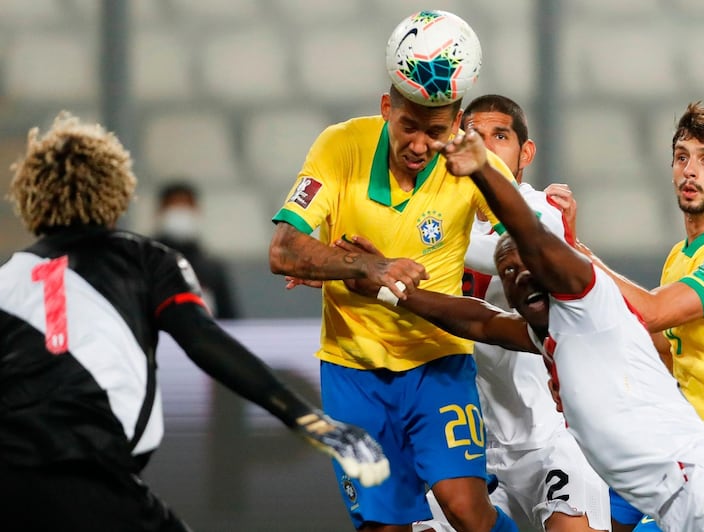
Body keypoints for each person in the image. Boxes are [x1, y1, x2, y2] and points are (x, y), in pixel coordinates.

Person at [336, 127, 704, 531]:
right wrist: (386, 286)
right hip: (676, 490)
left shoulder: (586, 298)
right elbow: (479, 320)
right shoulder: (547, 333)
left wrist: (485, 172)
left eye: (528, 266)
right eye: (508, 274)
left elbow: (539, 242)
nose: (521, 278)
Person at [0, 112, 389, 531]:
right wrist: (306, 417)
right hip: (90, 478)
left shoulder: (7, 278)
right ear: (115, 189)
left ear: (30, 197)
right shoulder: (147, 261)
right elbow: (204, 341)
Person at [269, 74, 521, 532]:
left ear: (457, 124)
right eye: (409, 126)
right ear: (387, 107)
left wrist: (518, 260)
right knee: (383, 527)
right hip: (352, 368)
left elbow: (526, 238)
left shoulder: (471, 164)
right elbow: (284, 249)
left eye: (436, 132)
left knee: (465, 508)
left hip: (437, 360)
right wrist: (364, 266)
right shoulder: (341, 146)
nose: (420, 145)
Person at [572, 102, 704, 531]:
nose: (691, 170)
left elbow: (651, 313)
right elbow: (666, 347)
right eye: (682, 157)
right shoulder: (680, 258)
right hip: (682, 456)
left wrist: (573, 254)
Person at [415, 95, 609, 532]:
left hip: (554, 437)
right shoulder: (437, 217)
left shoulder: (541, 212)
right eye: (474, 136)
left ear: (526, 153)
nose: (485, 147)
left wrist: (416, 243)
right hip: (476, 445)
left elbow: (516, 248)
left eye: (499, 136)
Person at [153, 180, 238, 320]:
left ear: (196, 211)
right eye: (174, 205)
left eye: (186, 205)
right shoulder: (144, 263)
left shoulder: (212, 270)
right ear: (160, 211)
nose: (180, 212)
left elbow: (231, 322)